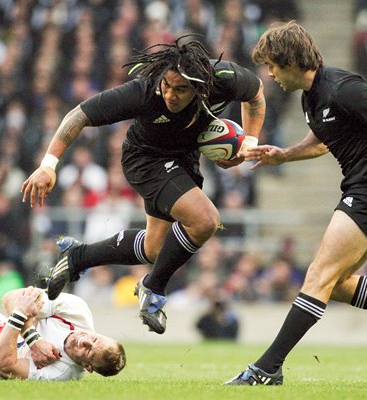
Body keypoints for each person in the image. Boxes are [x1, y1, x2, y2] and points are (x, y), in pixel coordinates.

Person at [225, 21, 367, 386]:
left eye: (273, 65)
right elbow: (322, 140)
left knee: (318, 275)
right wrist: (285, 155)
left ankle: (268, 368)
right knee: (337, 283)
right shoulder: (310, 96)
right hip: (362, 187)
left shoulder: (344, 88)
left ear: (291, 61)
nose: (270, 74)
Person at [21, 36, 265, 334]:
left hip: (184, 159)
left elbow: (255, 95)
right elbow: (78, 116)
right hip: (145, 159)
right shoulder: (143, 92)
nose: (170, 95)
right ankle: (154, 287)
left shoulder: (223, 78)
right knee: (205, 221)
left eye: (180, 89)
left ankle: (77, 258)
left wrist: (247, 145)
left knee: (153, 249)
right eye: (167, 85)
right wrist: (48, 165)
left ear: (200, 86)